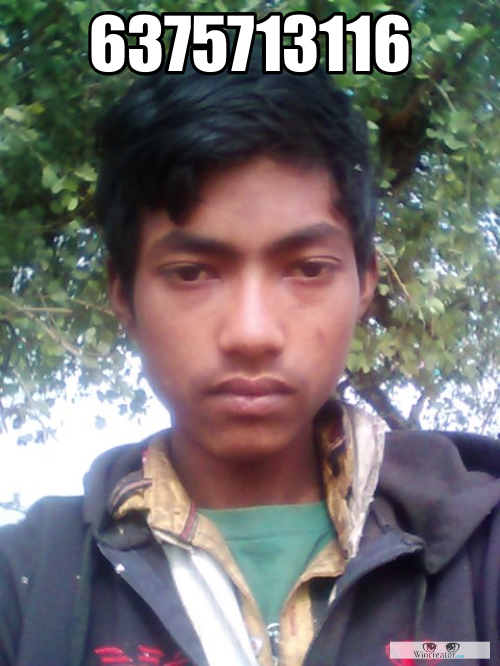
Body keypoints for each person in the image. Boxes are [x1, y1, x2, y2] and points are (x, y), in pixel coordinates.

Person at [1, 47, 499, 666]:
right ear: (123, 292)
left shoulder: (481, 553)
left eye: (308, 268)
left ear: (365, 282)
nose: (252, 333)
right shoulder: (27, 586)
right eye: (191, 272)